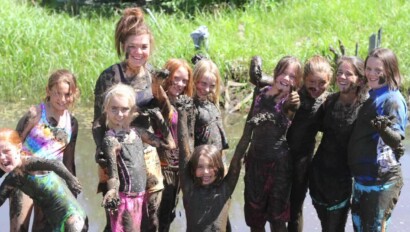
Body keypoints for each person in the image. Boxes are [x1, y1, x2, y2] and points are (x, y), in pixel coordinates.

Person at [92, 7, 164, 232]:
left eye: (143, 47)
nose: (138, 52)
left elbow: (164, 114)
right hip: (117, 155)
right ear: (123, 46)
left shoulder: (154, 76)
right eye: (132, 46)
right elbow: (97, 122)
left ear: (150, 47)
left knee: (151, 219)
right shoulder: (109, 76)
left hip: (147, 154)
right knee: (118, 220)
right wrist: (102, 151)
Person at [100, 83, 175, 232]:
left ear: (132, 110)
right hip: (124, 200)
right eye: (114, 109)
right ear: (106, 110)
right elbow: (113, 173)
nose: (119, 114)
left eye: (124, 109)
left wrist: (159, 118)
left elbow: (169, 144)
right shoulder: (110, 140)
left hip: (141, 198)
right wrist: (112, 191)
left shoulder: (138, 133)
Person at [12, 69, 80, 231]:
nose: (62, 99)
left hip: (50, 181)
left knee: (42, 228)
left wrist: (72, 193)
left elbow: (68, 161)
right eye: (57, 93)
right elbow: (13, 145)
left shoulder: (72, 123)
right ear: (48, 91)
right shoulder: (35, 113)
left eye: (67, 95)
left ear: (74, 94)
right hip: (24, 178)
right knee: (18, 228)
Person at [348, 48, 407, 231]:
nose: (371, 74)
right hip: (362, 180)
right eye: (368, 68)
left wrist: (385, 129)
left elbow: (397, 140)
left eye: (378, 70)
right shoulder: (372, 94)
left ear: (389, 71)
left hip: (381, 181)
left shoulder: (393, 99)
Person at [308, 56, 368, 232]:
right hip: (318, 176)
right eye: (340, 73)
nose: (342, 77)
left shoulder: (365, 108)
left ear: (360, 79)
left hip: (341, 181)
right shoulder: (329, 101)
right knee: (325, 226)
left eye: (348, 74)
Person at [175, 95, 251, 232]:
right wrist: (182, 114)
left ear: (219, 168)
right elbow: (183, 151)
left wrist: (251, 125)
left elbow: (237, 157)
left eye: (211, 167)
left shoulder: (225, 189)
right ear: (192, 170)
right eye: (200, 167)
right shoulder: (189, 189)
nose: (206, 172)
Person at [244, 56, 302, 232]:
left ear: (297, 83)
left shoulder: (291, 102)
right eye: (284, 73)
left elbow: (289, 110)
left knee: (277, 218)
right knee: (255, 216)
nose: (287, 79)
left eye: (292, 77)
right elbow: (256, 71)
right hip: (255, 161)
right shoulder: (262, 92)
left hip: (278, 166)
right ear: (276, 73)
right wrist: (256, 61)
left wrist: (292, 105)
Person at [0, 128, 87, 231]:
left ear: (19, 148)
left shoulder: (29, 163)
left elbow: (55, 164)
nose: (2, 157)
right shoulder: (12, 179)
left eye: (6, 151)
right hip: (53, 223)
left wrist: (70, 179)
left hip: (72, 218)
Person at [286, 55, 332, 232]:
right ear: (304, 79)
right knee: (275, 207)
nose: (316, 87)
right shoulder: (293, 96)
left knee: (295, 209)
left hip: (303, 164)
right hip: (281, 158)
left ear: (329, 81)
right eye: (312, 81)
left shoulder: (326, 102)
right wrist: (289, 107)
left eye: (322, 83)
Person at [155, 58, 194, 232]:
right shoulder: (156, 100)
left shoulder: (184, 103)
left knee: (169, 213)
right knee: (156, 214)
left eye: (184, 81)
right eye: (176, 78)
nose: (180, 84)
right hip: (159, 167)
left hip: (178, 167)